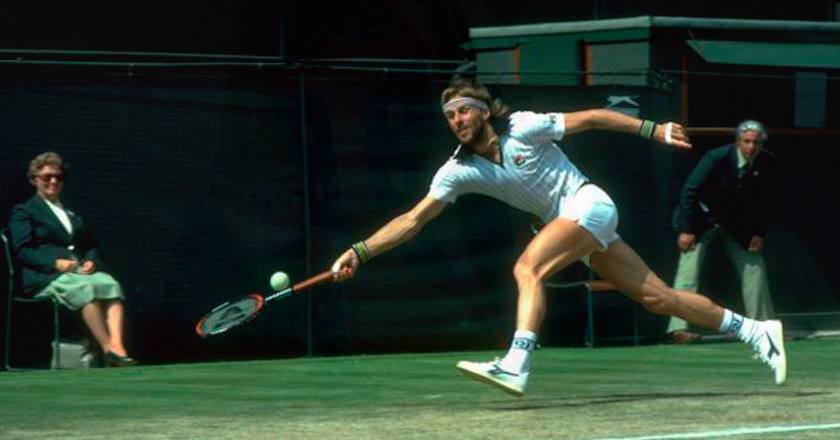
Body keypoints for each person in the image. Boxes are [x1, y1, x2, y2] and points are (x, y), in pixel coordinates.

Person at [330, 79, 786, 396]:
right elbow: (413, 220)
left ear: (484, 111)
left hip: (589, 204)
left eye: (464, 110)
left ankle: (517, 362)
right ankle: (756, 330)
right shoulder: (457, 170)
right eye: (449, 115)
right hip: (573, 222)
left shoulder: (524, 126)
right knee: (659, 299)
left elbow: (590, 118)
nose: (456, 119)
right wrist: (359, 250)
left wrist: (653, 128)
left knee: (527, 267)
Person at [9, 152, 136, 367]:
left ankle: (118, 346)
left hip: (77, 272)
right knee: (86, 290)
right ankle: (109, 349)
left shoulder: (71, 213)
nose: (53, 181)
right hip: (44, 277)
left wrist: (90, 262)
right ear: (34, 180)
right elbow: (23, 250)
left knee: (110, 284)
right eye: (46, 177)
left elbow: (89, 246)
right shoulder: (24, 211)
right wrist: (55, 263)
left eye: (58, 177)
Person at [666, 120, 777, 344]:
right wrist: (687, 230)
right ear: (737, 142)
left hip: (737, 225)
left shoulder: (767, 162)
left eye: (756, 143)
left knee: (754, 267)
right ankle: (679, 329)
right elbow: (690, 191)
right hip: (701, 221)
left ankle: (764, 328)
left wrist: (758, 233)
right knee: (688, 273)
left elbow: (765, 201)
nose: (751, 147)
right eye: (746, 141)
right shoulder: (715, 158)